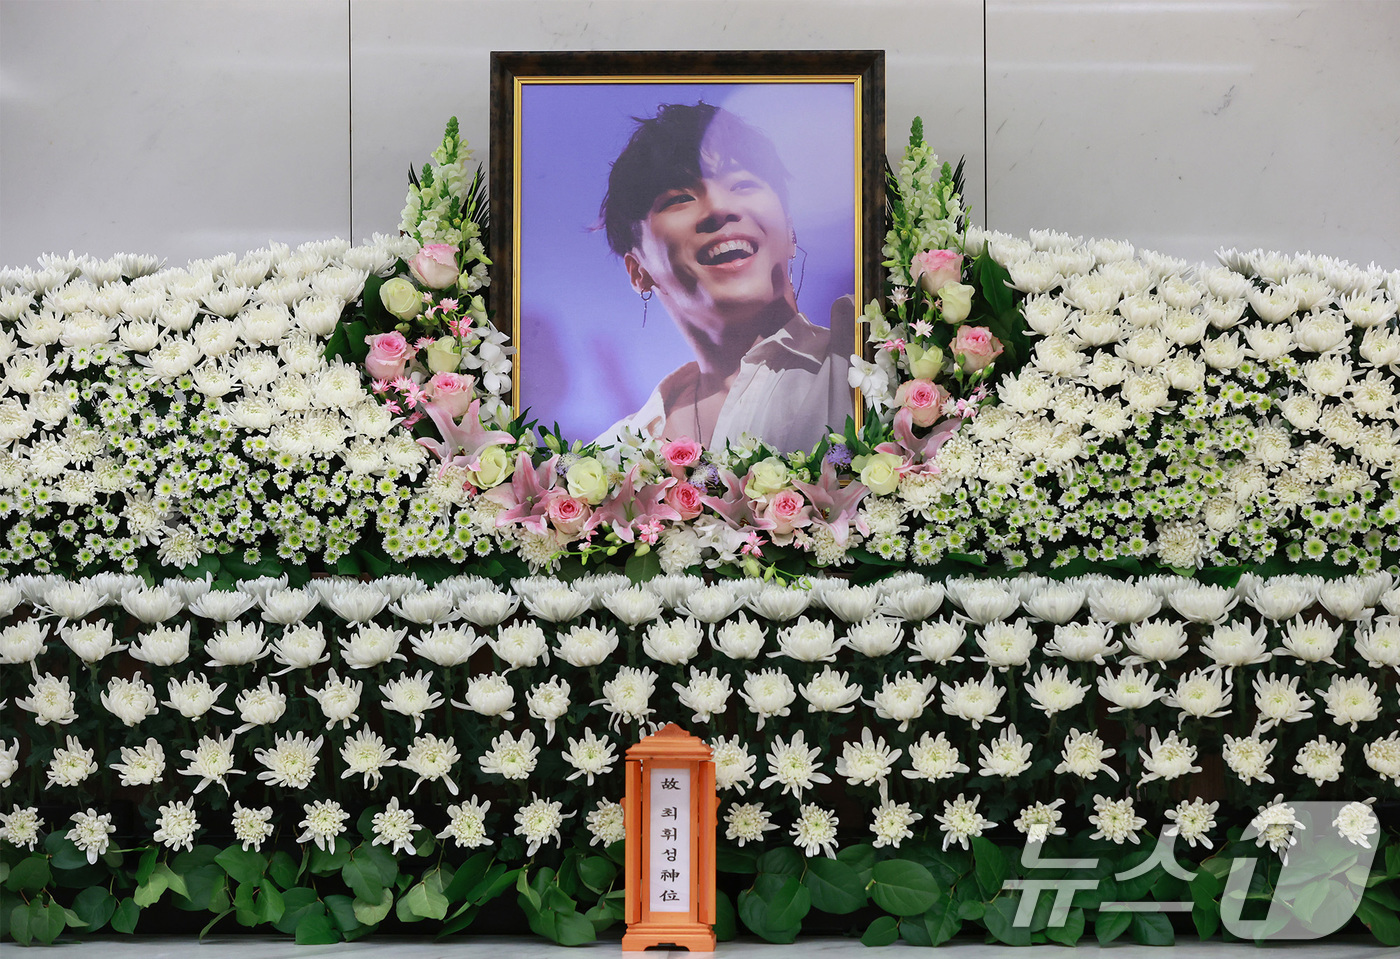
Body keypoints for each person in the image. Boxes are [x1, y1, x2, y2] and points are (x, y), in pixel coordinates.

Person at [591, 102, 853, 452]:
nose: (719, 209)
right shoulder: (611, 458)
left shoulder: (870, 362)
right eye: (680, 198)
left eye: (743, 185)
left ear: (790, 232)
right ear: (639, 272)